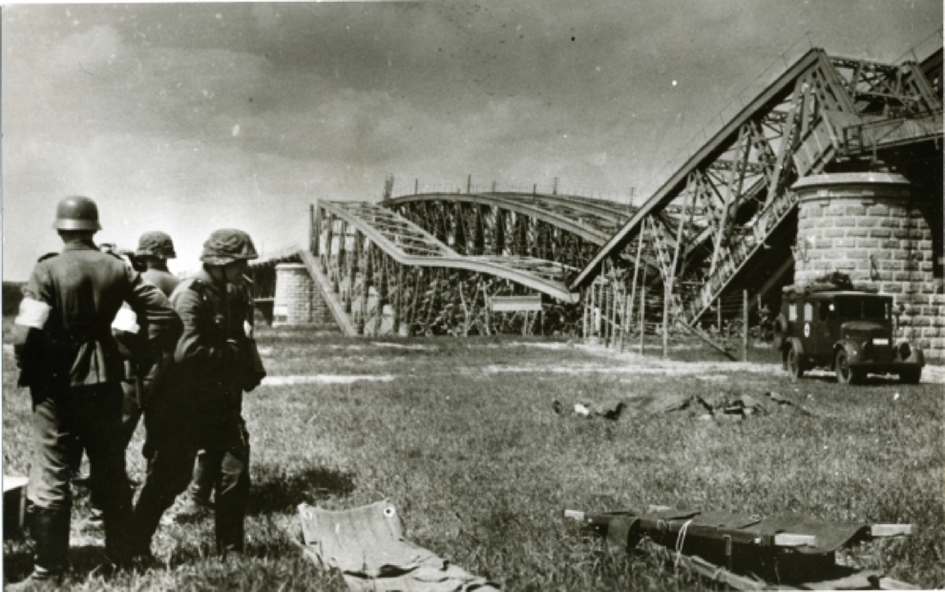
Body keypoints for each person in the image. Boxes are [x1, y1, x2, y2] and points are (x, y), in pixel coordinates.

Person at [10, 196, 181, 588]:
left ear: (61, 229)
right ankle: (121, 559)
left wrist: (31, 366)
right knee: (109, 466)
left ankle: (47, 572)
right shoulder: (118, 268)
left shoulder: (47, 268)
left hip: (55, 381)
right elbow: (164, 314)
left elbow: (25, 332)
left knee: (54, 468)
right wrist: (141, 351)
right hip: (106, 378)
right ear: (93, 229)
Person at [132, 229, 265, 558]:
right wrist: (231, 353)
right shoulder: (190, 294)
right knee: (170, 480)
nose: (245, 268)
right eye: (240, 262)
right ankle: (131, 544)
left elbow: (238, 338)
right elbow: (186, 353)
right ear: (220, 263)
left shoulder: (228, 291)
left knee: (234, 473)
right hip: (184, 405)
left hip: (220, 403)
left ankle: (231, 550)